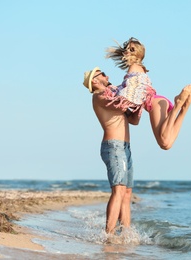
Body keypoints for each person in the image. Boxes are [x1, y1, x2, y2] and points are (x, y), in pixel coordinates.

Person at [103, 37, 191, 150]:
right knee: (166, 144)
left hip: (155, 103)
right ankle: (184, 108)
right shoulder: (139, 68)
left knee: (163, 141)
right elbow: (134, 120)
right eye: (127, 49)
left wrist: (112, 94)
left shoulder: (133, 68)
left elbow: (130, 92)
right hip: (160, 102)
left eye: (131, 49)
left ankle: (178, 105)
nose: (127, 51)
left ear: (139, 54)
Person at [82, 67, 140, 235]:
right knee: (119, 190)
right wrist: (134, 92)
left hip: (125, 147)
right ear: (95, 80)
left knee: (127, 193)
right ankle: (109, 235)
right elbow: (121, 106)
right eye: (103, 74)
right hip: (114, 147)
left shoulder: (112, 95)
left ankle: (126, 234)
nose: (107, 76)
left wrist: (139, 102)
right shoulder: (99, 96)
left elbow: (134, 120)